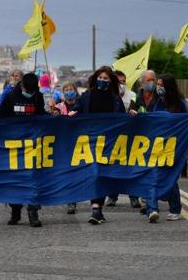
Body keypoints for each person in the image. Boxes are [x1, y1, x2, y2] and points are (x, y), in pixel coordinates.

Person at [74, 66, 125, 225]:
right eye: (100, 78)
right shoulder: (87, 96)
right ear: (96, 78)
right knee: (93, 173)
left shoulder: (115, 99)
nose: (102, 81)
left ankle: (99, 208)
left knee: (102, 174)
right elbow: (77, 109)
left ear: (111, 81)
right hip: (90, 141)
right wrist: (71, 113)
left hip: (109, 142)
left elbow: (122, 118)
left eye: (106, 78)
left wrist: (132, 115)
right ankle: (95, 209)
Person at [0, 72, 45, 227]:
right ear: (22, 85)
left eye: (32, 91)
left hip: (32, 144)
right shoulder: (10, 96)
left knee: (33, 179)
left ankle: (33, 212)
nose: (29, 93)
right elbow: (2, 117)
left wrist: (53, 115)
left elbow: (41, 116)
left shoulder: (38, 97)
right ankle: (15, 211)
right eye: (28, 90)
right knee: (15, 179)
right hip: (14, 145)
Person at [143, 74, 188, 223]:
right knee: (153, 176)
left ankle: (175, 209)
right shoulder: (154, 102)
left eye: (162, 85)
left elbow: (184, 123)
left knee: (170, 177)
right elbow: (148, 119)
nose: (159, 87)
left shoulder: (179, 104)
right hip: (155, 144)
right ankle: (152, 209)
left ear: (169, 87)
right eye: (158, 84)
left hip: (172, 145)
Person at [105, 71, 142, 209]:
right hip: (113, 137)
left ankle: (134, 197)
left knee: (131, 167)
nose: (122, 84)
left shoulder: (132, 96)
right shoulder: (108, 97)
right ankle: (112, 196)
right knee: (113, 167)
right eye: (119, 81)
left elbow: (138, 111)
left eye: (124, 81)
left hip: (130, 136)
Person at [52, 82, 79, 214]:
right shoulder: (59, 106)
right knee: (67, 173)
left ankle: (74, 199)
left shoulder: (80, 105)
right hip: (64, 143)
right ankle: (70, 200)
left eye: (71, 89)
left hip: (79, 143)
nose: (69, 91)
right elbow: (53, 121)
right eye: (66, 89)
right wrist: (54, 113)